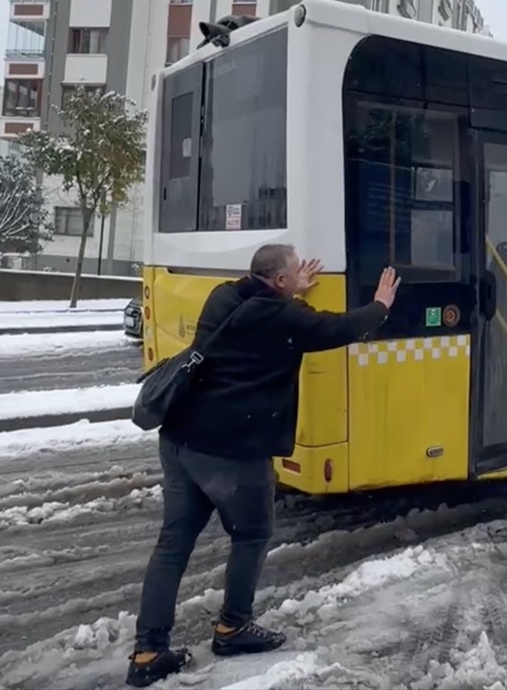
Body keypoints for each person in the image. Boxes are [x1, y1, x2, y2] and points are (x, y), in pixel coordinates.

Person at [126, 244, 400, 688]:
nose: (300, 277)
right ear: (278, 282)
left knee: (173, 544)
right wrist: (381, 305)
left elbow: (267, 313)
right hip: (231, 451)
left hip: (179, 439)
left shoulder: (223, 296)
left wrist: (292, 293)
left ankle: (148, 651)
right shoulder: (283, 318)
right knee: (252, 533)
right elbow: (340, 327)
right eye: (294, 273)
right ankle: (233, 626)